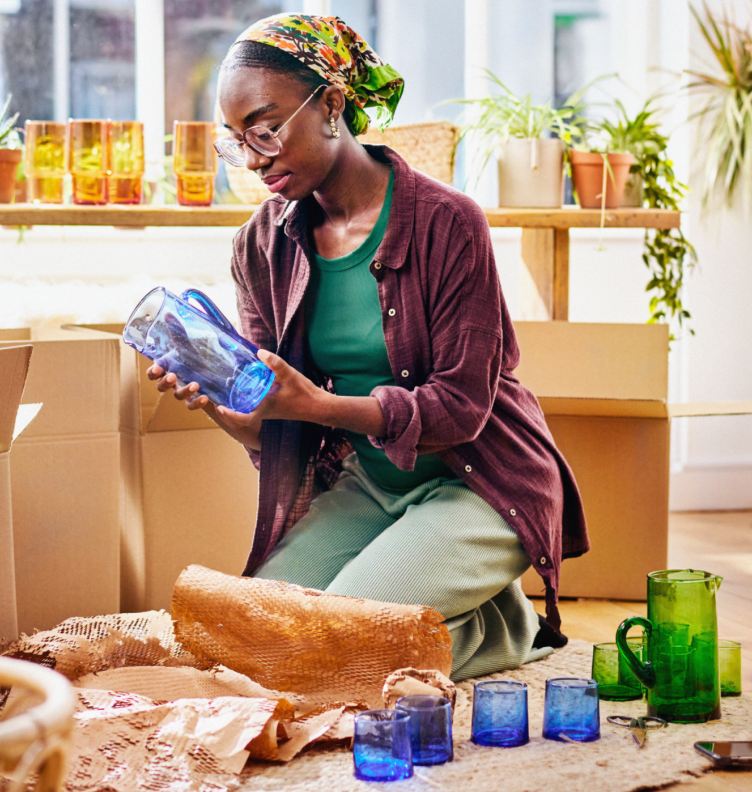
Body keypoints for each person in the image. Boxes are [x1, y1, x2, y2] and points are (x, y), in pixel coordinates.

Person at [149, 13, 589, 681]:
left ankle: (503, 626)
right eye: (238, 142)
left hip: (482, 484)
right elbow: (274, 435)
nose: (257, 157)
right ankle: (454, 605)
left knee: (334, 643)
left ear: (330, 104)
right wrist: (218, 402)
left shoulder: (448, 222)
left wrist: (318, 405)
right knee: (255, 639)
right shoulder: (260, 245)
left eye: (267, 129)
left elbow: (461, 409)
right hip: (370, 487)